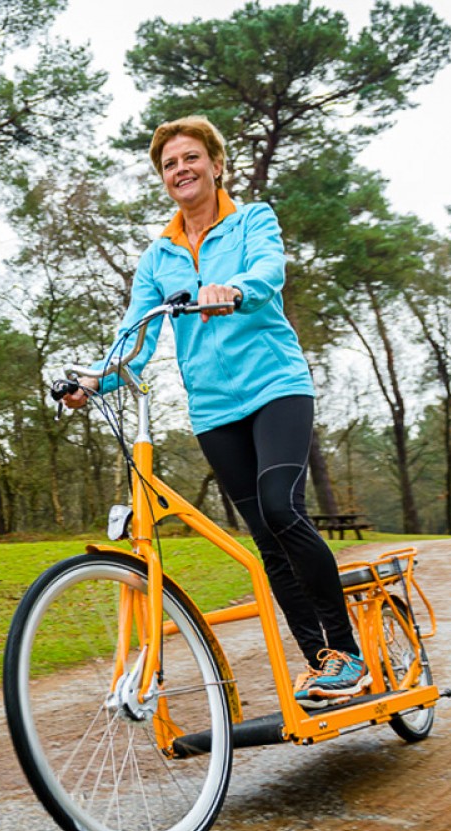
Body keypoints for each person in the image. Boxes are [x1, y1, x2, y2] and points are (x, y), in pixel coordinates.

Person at [62, 115, 365, 700]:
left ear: (216, 164)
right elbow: (137, 338)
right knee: (265, 537)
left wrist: (236, 288)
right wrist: (94, 383)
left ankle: (349, 652)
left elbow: (268, 271)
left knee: (282, 506)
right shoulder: (157, 258)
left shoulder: (253, 219)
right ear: (163, 178)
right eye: (170, 164)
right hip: (215, 411)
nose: (181, 169)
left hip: (276, 386)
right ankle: (323, 663)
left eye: (191, 157)